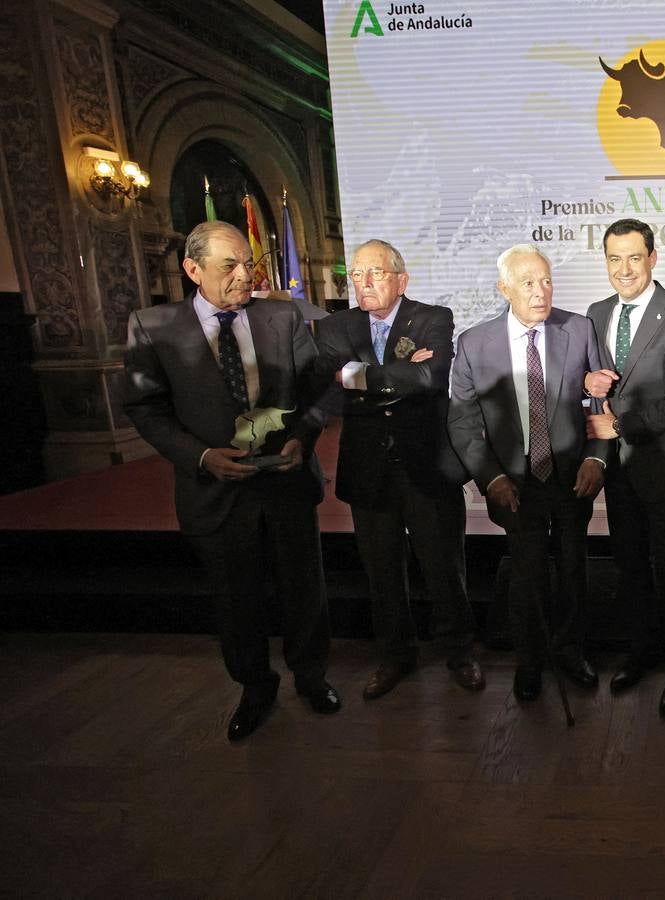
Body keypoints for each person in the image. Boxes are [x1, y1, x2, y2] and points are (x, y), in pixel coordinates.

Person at [123, 221, 339, 742]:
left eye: (249, 263)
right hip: (214, 493)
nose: (245, 275)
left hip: (286, 483)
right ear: (192, 269)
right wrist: (199, 457)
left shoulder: (282, 316)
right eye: (229, 266)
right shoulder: (153, 326)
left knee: (303, 590)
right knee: (235, 599)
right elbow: (144, 408)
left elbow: (319, 393)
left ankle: (311, 677)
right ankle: (254, 687)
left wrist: (302, 441)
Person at [315, 239, 483, 701]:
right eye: (357, 274)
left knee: (445, 565)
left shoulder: (433, 318)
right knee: (382, 571)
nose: (364, 282)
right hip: (368, 469)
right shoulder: (334, 325)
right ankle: (395, 654)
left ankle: (460, 651)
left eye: (376, 273)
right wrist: (401, 373)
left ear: (401, 280)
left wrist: (360, 376)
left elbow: (432, 379)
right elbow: (331, 386)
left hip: (426, 464)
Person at [448, 245, 609, 702]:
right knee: (527, 574)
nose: (541, 293)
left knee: (574, 568)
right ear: (504, 289)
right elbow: (463, 420)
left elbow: (601, 405)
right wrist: (491, 477)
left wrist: (597, 458)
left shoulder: (577, 329)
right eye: (528, 283)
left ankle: (572, 650)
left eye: (546, 281)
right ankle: (530, 660)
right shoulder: (475, 344)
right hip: (513, 483)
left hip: (571, 474)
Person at [583, 219, 665, 716]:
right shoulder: (595, 313)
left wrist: (622, 426)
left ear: (653, 258)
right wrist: (588, 381)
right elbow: (591, 382)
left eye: (634, 257)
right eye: (615, 259)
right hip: (617, 470)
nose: (624, 269)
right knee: (629, 566)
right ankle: (642, 652)